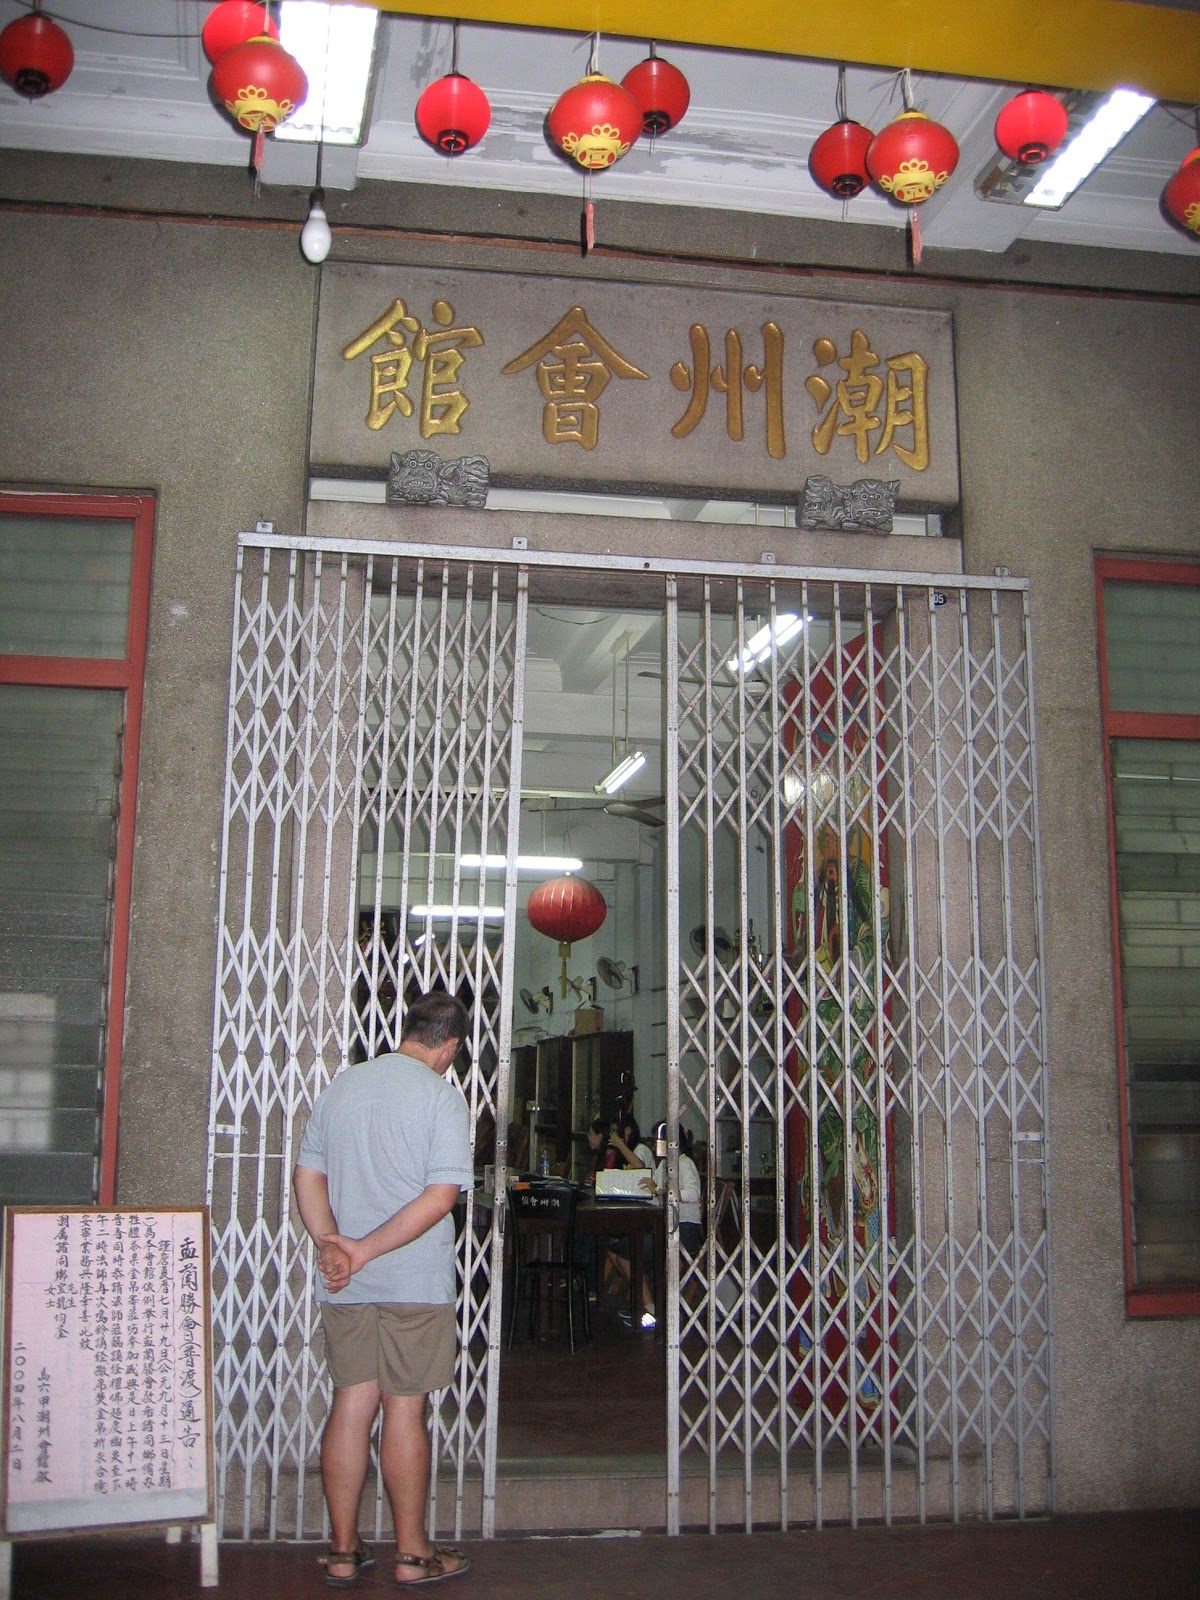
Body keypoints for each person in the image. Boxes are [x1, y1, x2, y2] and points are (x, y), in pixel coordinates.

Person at [293, 990, 474, 1589]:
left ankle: (343, 1551)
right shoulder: (441, 1098)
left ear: (408, 1029)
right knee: (404, 1408)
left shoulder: (343, 1086)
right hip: (413, 1282)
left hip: (345, 1284)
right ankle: (413, 1555)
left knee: (351, 1403)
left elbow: (308, 1173)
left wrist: (332, 1245)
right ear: (450, 1046)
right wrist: (363, 1250)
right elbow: (440, 1197)